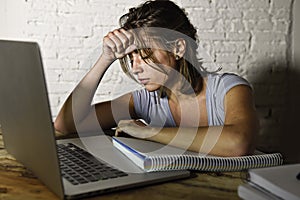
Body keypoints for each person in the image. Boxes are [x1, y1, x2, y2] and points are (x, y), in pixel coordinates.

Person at [54, 0, 259, 157]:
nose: (135, 68)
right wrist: (105, 59)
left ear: (178, 48)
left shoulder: (229, 89)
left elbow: (238, 143)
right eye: (131, 57)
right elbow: (65, 126)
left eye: (144, 53)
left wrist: (149, 132)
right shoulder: (145, 100)